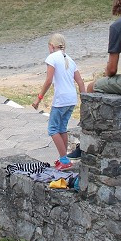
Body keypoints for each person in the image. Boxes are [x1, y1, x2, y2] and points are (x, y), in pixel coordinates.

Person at [32, 33, 86, 172]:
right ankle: (64, 157)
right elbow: (80, 82)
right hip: (71, 99)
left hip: (61, 99)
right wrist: (84, 99)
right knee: (62, 128)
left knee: (53, 129)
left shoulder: (52, 58)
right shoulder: (70, 59)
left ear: (51, 46)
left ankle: (64, 159)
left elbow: (48, 80)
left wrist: (39, 98)